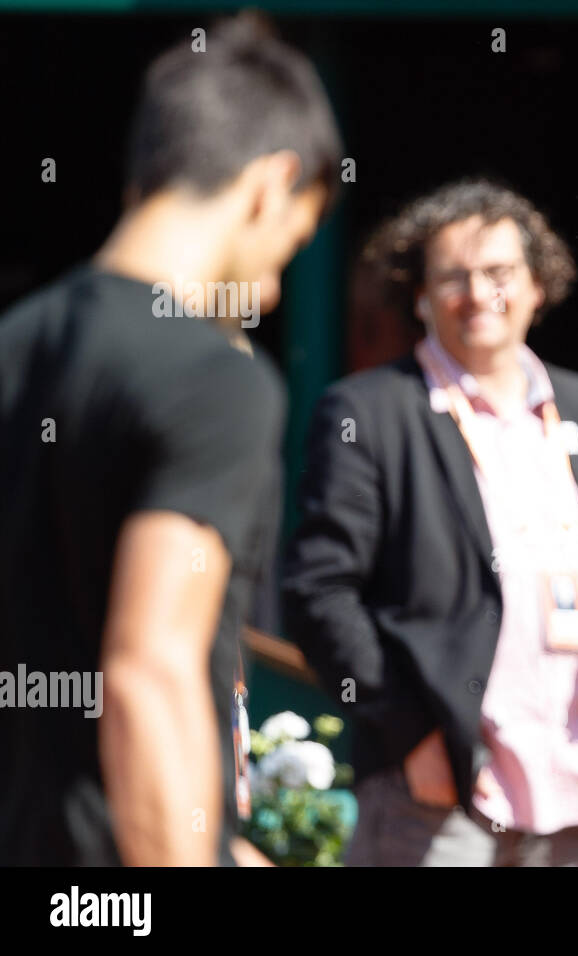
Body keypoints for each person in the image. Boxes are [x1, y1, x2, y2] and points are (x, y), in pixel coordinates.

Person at [0, 14, 342, 866]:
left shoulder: (15, 343)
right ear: (270, 183)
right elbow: (148, 673)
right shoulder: (214, 378)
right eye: (290, 244)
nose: (267, 291)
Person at [282, 179, 578, 867]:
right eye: (452, 277)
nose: (478, 293)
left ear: (536, 286)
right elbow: (318, 594)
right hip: (440, 788)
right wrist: (412, 738)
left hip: (572, 769)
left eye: (499, 273)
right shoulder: (368, 411)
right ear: (421, 295)